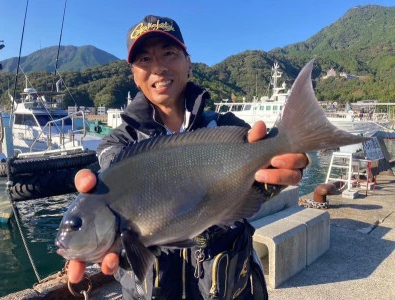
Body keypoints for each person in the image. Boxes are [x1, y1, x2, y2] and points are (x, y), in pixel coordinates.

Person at [68, 15, 309, 299]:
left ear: (188, 63)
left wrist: (273, 174)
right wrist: (103, 232)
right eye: (144, 59)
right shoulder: (118, 145)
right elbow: (113, 177)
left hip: (232, 288)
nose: (158, 67)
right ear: (133, 73)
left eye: (169, 54)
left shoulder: (227, 128)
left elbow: (257, 185)